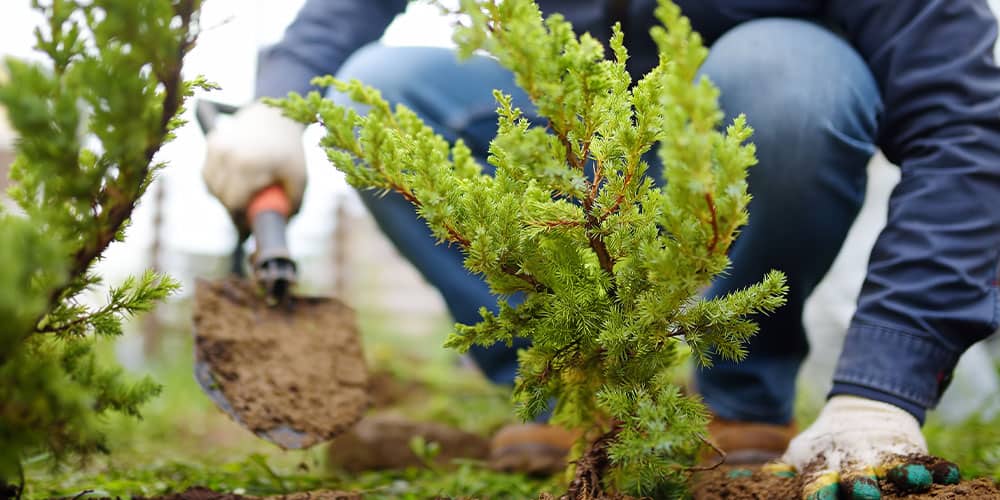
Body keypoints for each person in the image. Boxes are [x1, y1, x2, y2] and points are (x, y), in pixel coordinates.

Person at [203, 0, 1000, 496]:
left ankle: (741, 397)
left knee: (792, 75)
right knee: (367, 91)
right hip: (572, 149)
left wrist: (883, 384)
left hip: (737, 144)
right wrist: (282, 98)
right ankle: (567, 391)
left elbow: (962, 125)